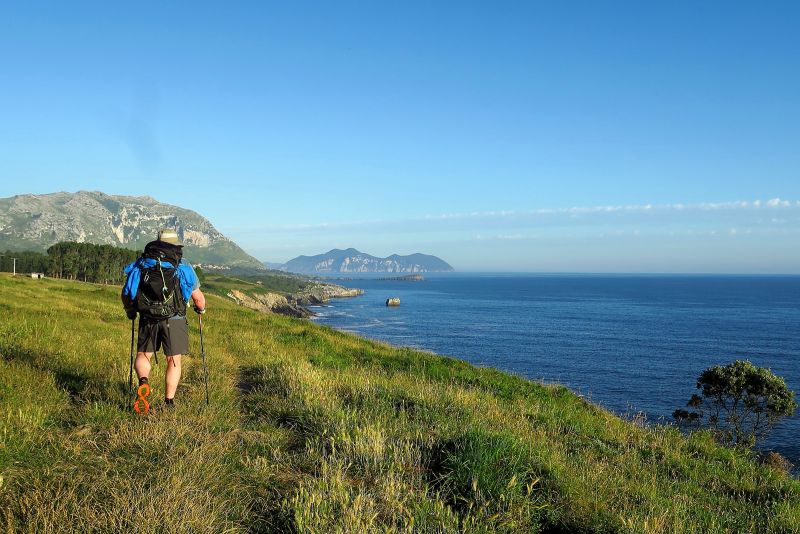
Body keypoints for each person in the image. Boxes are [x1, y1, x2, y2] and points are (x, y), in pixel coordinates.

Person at [121, 229, 206, 409]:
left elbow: (127, 292)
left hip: (148, 317)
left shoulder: (142, 263)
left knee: (143, 355)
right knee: (173, 360)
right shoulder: (183, 265)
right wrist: (201, 309)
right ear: (176, 246)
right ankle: (169, 402)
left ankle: (144, 381)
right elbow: (198, 298)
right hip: (174, 318)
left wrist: (130, 310)